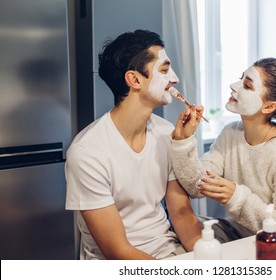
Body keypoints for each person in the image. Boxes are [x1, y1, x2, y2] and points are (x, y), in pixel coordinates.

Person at [65, 30, 202, 260]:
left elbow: (182, 216)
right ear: (135, 79)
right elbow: (117, 251)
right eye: (165, 70)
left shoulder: (167, 133)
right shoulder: (87, 152)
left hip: (169, 252)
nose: (175, 79)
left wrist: (211, 263)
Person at [170, 57, 276, 242]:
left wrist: (237, 198)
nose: (233, 86)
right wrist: (184, 140)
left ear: (269, 106)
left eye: (247, 85)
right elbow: (197, 186)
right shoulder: (231, 133)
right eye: (240, 79)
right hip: (243, 234)